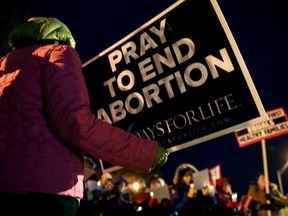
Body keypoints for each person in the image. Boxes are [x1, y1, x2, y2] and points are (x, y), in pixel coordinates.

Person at [0, 17, 169, 216]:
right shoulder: (58, 54)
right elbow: (75, 123)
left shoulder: (4, 64)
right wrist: (146, 153)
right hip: (47, 190)